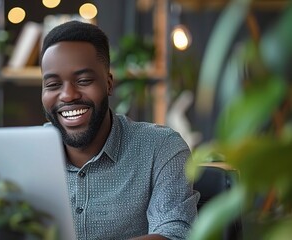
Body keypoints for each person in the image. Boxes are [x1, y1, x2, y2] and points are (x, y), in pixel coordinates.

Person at [40, 20, 199, 240]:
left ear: (108, 84)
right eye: (53, 85)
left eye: (84, 80)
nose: (68, 95)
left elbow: (175, 234)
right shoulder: (27, 155)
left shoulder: (161, 147)